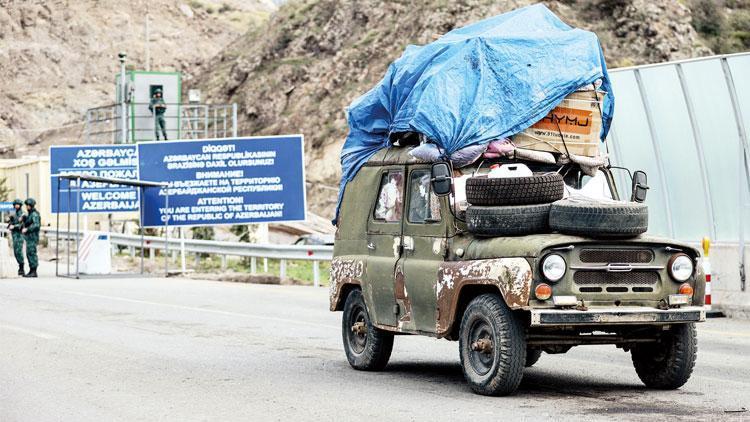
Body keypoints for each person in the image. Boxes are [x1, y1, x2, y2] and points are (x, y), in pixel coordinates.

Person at [21, 198, 40, 278]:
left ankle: (34, 271)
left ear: (31, 206)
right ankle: (31, 270)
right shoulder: (30, 214)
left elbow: (36, 225)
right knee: (29, 253)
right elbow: (28, 223)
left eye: (28, 205)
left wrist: (27, 229)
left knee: (32, 253)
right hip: (29, 237)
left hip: (33, 237)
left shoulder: (34, 214)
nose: (27, 207)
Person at [6, 198, 26, 275]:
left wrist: (14, 227)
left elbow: (22, 225)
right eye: (15, 205)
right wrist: (9, 223)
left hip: (19, 235)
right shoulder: (14, 214)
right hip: (14, 235)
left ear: (20, 205)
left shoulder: (22, 214)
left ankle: (22, 267)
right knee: (15, 252)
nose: (16, 206)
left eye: (18, 205)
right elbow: (11, 222)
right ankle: (20, 266)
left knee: (18, 251)